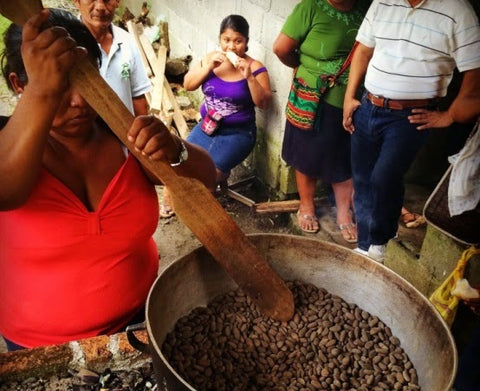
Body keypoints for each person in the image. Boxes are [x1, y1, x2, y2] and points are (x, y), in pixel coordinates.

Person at [0, 8, 216, 350]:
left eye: (86, 80)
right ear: (19, 83)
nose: (78, 102)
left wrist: (175, 147)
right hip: (40, 348)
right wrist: (42, 90)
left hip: (139, 323)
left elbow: (207, 179)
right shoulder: (7, 148)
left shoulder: (122, 135)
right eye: (60, 84)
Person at [343, 0, 480, 262]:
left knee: (384, 177)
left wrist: (450, 115)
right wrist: (350, 98)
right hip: (368, 105)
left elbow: (475, 75)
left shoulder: (458, 11)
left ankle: (380, 243)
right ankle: (364, 245)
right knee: (361, 178)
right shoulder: (383, 2)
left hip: (410, 117)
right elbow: (362, 51)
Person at [273, 0, 370, 239]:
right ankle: (306, 205)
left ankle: (343, 212)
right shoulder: (310, 7)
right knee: (307, 154)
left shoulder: (367, 7)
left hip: (354, 99)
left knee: (345, 156)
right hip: (313, 97)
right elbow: (281, 48)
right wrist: (309, 67)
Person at [183, 14, 272, 190]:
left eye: (238, 41)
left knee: (208, 174)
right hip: (207, 127)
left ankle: (206, 204)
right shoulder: (211, 59)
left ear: (246, 42)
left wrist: (249, 78)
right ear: (220, 39)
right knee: (182, 162)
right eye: (226, 40)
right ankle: (181, 201)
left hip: (238, 133)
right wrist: (208, 67)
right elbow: (187, 85)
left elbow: (264, 103)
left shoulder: (255, 67)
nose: (231, 46)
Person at [74, 0, 151, 116]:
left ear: (117, 2)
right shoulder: (68, 45)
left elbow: (138, 97)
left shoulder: (127, 41)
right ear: (76, 1)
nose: (100, 7)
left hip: (124, 132)